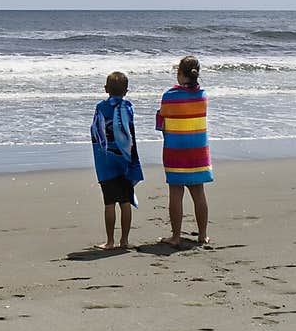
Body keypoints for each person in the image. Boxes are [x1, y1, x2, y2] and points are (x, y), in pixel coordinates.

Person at [155, 55, 213, 247]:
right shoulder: (202, 95)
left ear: (180, 73)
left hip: (175, 151)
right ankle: (202, 235)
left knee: (176, 192)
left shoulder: (169, 96)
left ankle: (176, 235)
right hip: (198, 151)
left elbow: (161, 123)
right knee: (199, 193)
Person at [90, 71, 143, 249]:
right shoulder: (128, 107)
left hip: (107, 161)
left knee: (109, 202)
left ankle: (110, 241)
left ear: (106, 89)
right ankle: (125, 241)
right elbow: (130, 133)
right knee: (125, 201)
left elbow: (96, 131)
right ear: (126, 91)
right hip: (125, 159)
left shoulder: (101, 107)